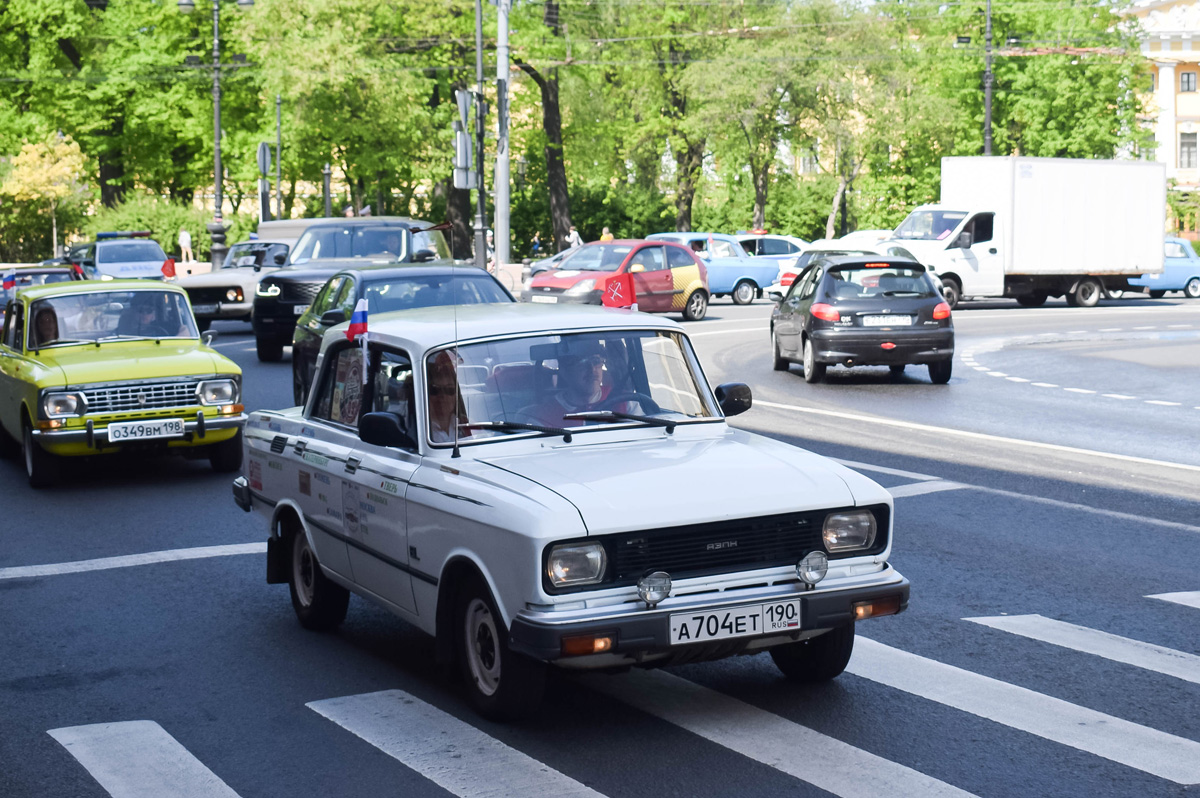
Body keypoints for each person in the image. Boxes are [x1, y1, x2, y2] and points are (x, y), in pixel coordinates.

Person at [427, 350, 470, 443]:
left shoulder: (465, 424)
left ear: (456, 395)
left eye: (449, 390)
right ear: (427, 395)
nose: (442, 396)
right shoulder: (418, 427)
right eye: (435, 390)